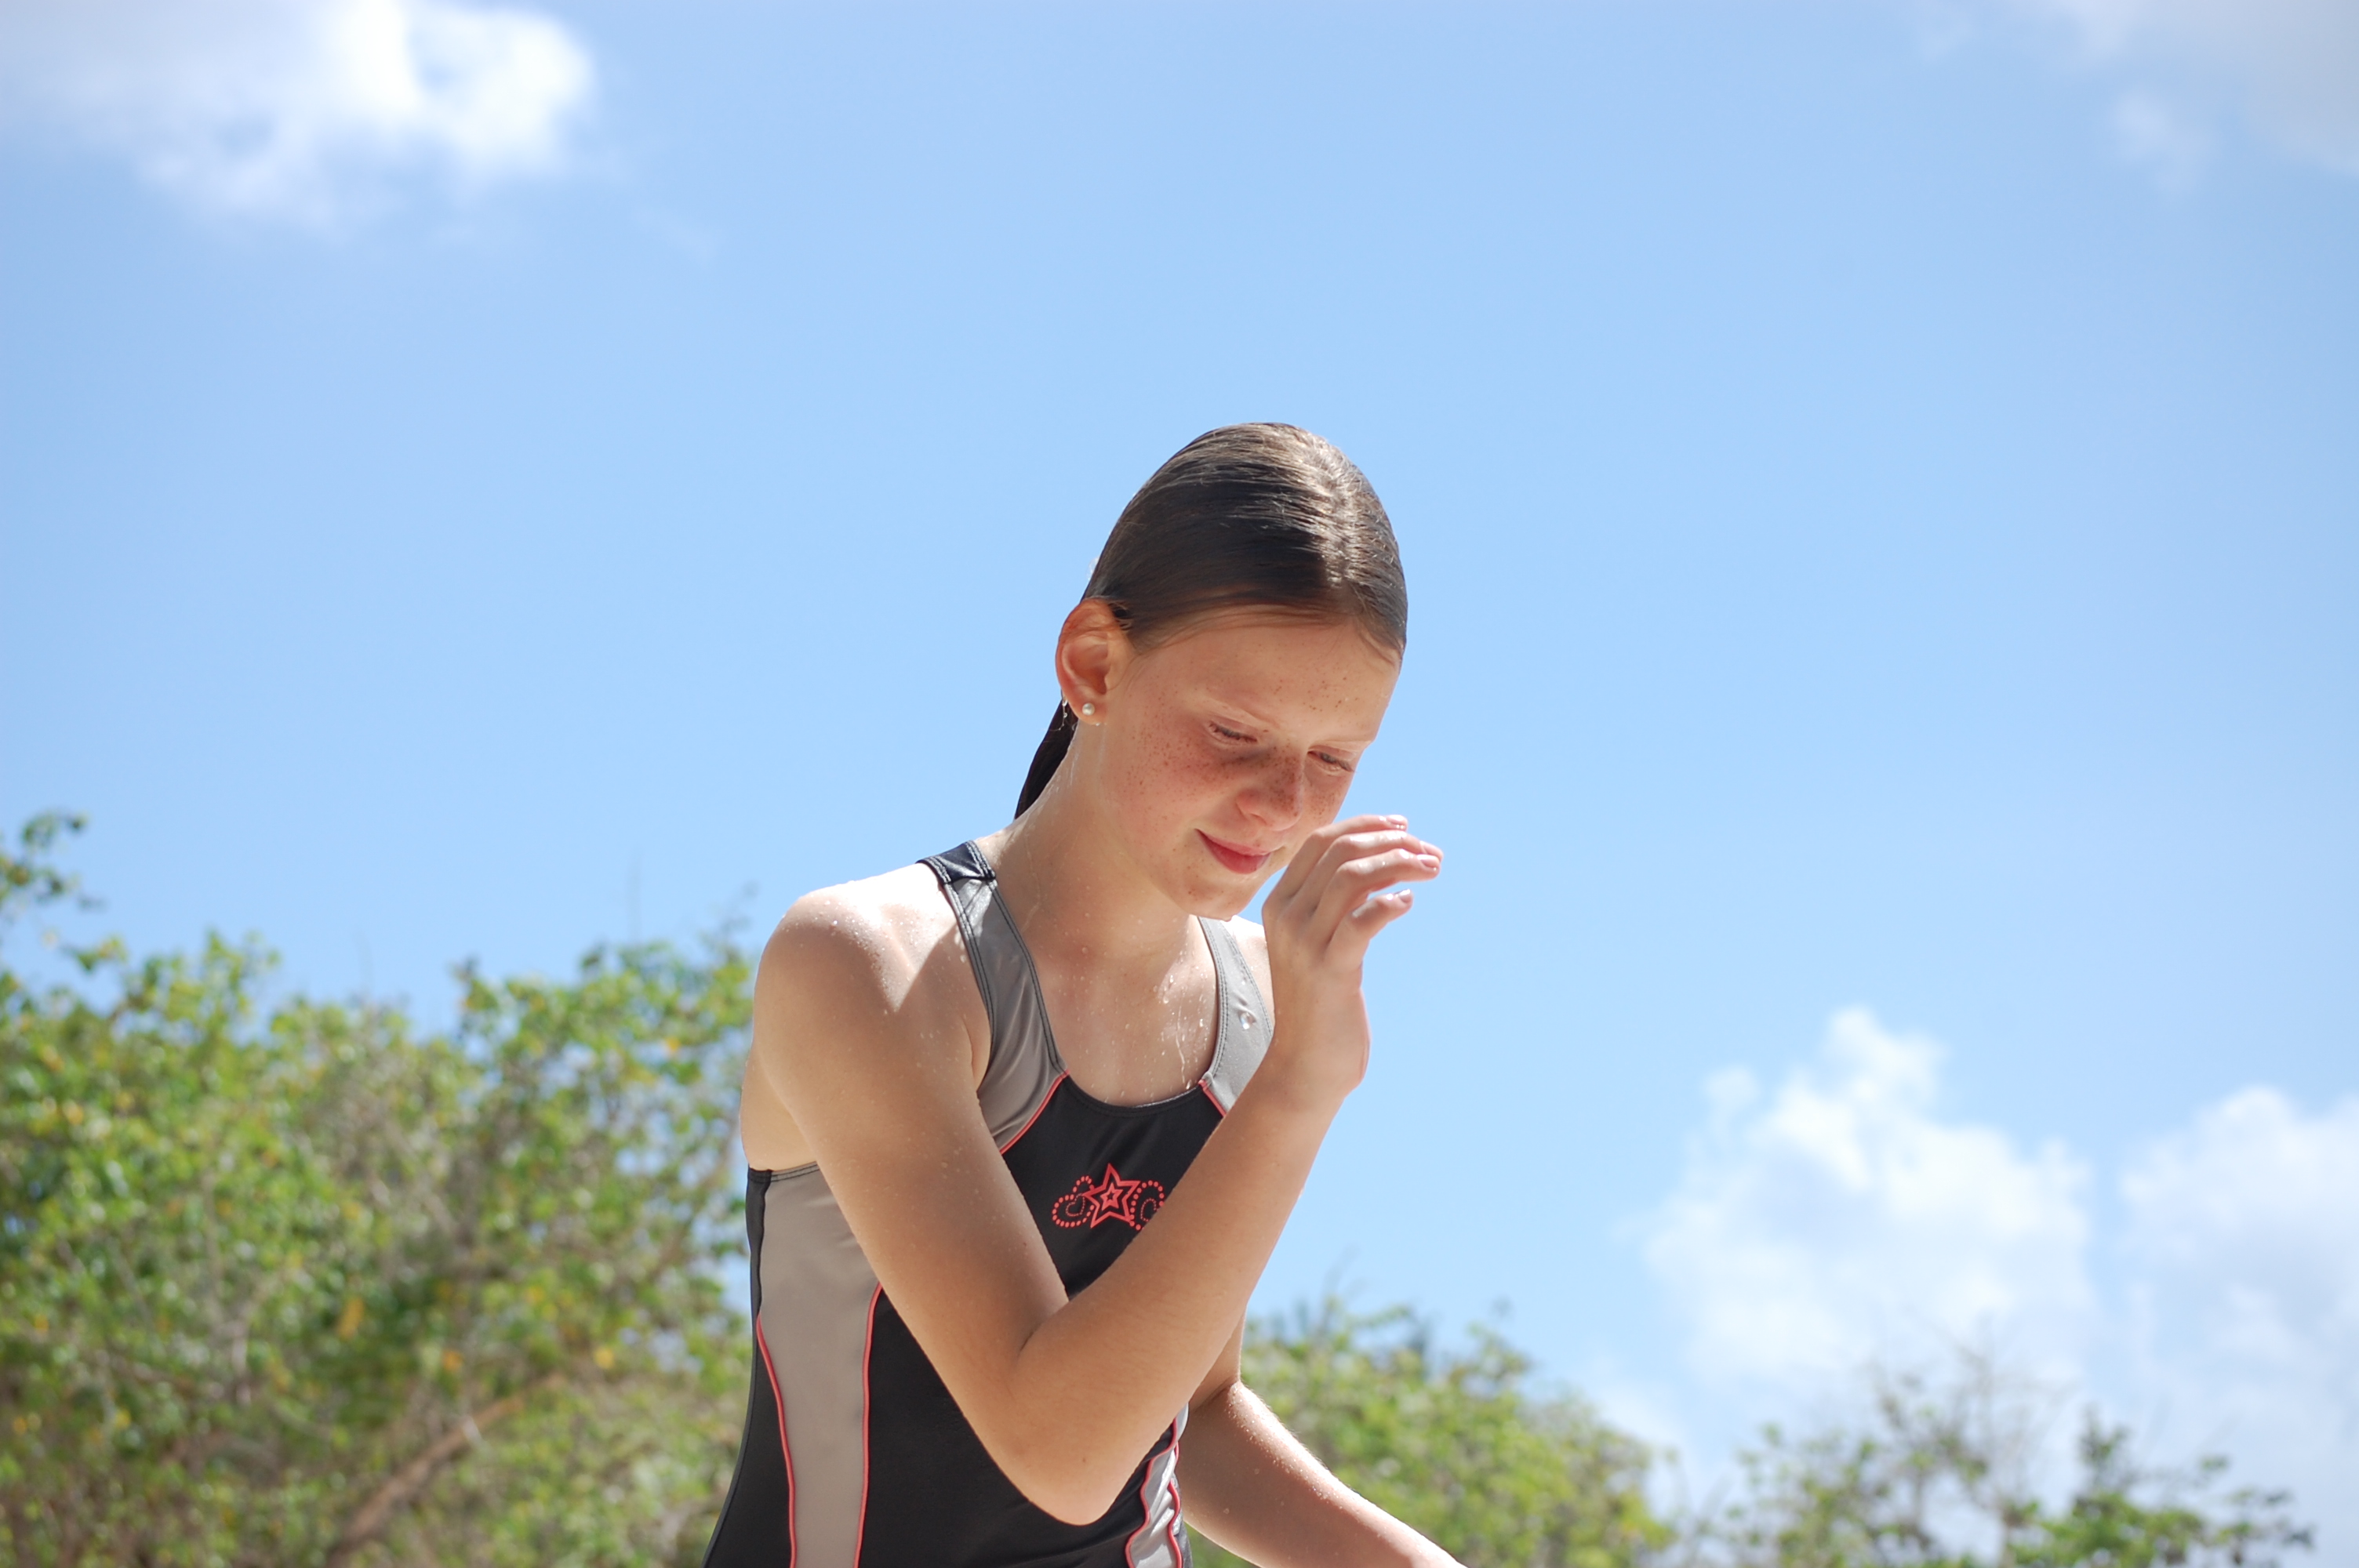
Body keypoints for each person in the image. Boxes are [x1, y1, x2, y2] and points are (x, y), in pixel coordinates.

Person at [703, 423, 1454, 1568]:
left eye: (1332, 760)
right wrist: (1299, 1092)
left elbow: (1188, 1413)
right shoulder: (872, 967)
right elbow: (1059, 1451)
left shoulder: (1257, 1002)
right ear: (1095, 667)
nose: (1279, 805)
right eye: (1234, 734)